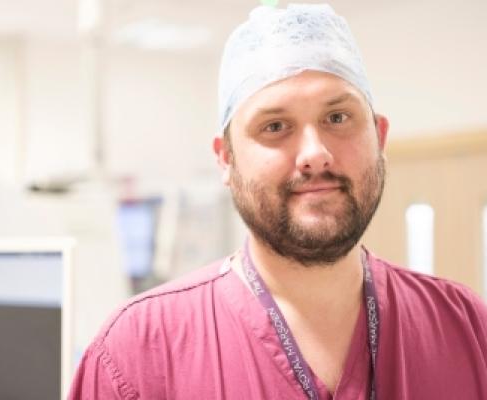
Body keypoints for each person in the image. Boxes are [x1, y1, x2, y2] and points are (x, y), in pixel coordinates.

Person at [69, 4, 487, 399]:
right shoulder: (138, 355)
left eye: (337, 118)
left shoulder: (467, 329)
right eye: (275, 126)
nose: (314, 152)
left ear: (379, 137)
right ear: (226, 158)